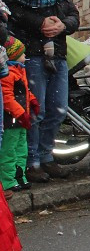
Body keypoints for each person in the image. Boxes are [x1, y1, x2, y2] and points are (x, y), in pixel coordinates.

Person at [1, 0, 80, 184]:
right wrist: (40, 24)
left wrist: (62, 26)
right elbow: (13, 16)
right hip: (32, 54)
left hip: (57, 53)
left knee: (57, 109)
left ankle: (46, 156)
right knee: (36, 110)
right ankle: (32, 161)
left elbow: (73, 16)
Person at [1, 38, 36, 196]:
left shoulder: (20, 71)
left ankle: (19, 176)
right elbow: (8, 98)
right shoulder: (9, 75)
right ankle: (8, 180)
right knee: (9, 150)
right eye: (22, 54)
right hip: (12, 121)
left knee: (21, 149)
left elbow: (24, 92)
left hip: (21, 120)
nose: (25, 56)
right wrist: (20, 114)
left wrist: (32, 100)